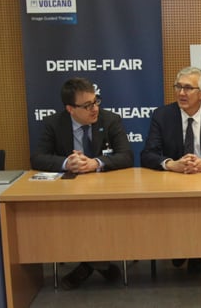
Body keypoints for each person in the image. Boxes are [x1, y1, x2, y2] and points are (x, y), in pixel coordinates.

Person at [31, 77, 134, 289]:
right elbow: (38, 158)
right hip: (68, 193)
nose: (94, 109)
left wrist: (95, 163)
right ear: (70, 109)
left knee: (103, 217)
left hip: (106, 192)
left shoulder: (110, 120)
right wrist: (67, 162)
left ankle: (86, 267)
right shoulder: (54, 123)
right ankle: (100, 264)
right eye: (87, 106)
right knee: (72, 219)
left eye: (96, 102)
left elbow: (127, 156)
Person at [141, 66, 201, 273]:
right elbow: (147, 154)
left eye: (188, 88)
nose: (181, 93)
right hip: (173, 182)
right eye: (178, 87)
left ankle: (197, 251)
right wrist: (171, 164)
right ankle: (180, 247)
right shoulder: (162, 115)